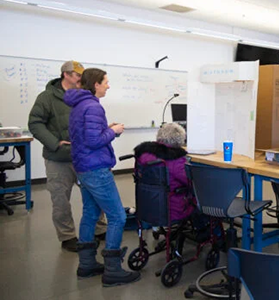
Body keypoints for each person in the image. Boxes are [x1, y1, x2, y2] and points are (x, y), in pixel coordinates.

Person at [64, 68, 140, 286]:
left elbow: (87, 136)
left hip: (83, 167)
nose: (108, 85)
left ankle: (86, 265)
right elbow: (94, 141)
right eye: (105, 82)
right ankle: (113, 270)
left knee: (90, 213)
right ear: (96, 84)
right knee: (117, 216)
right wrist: (114, 131)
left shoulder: (79, 105)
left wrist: (105, 130)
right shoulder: (93, 106)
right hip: (96, 168)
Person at [28, 61, 107, 252]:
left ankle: (100, 229)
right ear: (66, 75)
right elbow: (35, 123)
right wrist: (55, 143)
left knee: (95, 194)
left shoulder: (84, 97)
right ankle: (67, 236)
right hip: (59, 159)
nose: (81, 79)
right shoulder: (47, 97)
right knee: (60, 199)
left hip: (84, 157)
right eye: (78, 75)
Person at [134, 123, 194, 223]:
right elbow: (190, 182)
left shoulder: (142, 154)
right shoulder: (176, 160)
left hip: (146, 207)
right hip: (172, 210)